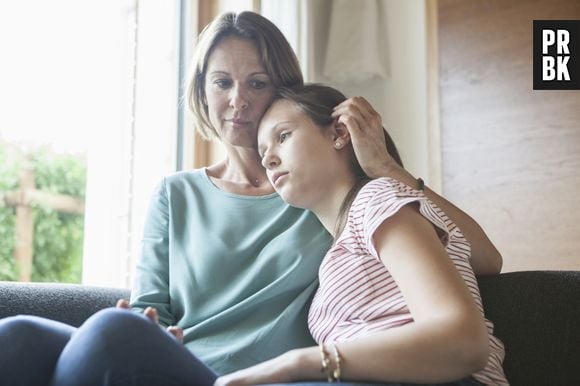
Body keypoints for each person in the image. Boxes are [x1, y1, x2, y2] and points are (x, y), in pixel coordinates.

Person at [0, 11, 502, 386]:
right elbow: (152, 312)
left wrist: (384, 167)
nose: (237, 101)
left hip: (262, 377)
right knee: (18, 335)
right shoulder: (177, 195)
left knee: (108, 337)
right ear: (202, 90)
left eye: (257, 84)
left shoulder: (321, 197)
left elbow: (476, 257)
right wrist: (151, 327)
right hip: (176, 363)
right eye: (221, 82)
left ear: (284, 91)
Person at [213, 84, 508, 386]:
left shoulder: (376, 200)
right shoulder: (344, 243)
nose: (268, 160)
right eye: (263, 152)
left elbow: (464, 341)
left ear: (339, 133)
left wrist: (296, 362)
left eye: (283, 137)